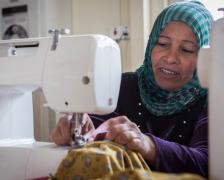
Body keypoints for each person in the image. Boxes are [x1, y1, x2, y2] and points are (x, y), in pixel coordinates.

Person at [51, 0, 213, 178]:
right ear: (151, 44)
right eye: (163, 43)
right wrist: (73, 128)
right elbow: (91, 129)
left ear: (204, 57)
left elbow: (207, 163)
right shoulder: (123, 86)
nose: (171, 58)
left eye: (187, 49)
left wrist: (148, 145)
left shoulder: (212, 101)